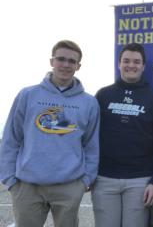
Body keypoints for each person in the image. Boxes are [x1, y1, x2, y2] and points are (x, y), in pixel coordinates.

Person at [0, 40, 100, 227]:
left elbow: (91, 145)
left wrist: (85, 181)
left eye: (71, 61)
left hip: (69, 186)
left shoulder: (89, 103)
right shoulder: (28, 95)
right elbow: (11, 139)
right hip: (27, 186)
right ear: (51, 61)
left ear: (78, 66)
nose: (65, 65)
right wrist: (10, 180)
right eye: (61, 59)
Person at [91, 43, 153, 227]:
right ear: (119, 64)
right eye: (126, 61)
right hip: (104, 179)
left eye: (136, 62)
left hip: (140, 181)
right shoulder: (103, 95)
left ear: (143, 66)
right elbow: (90, 137)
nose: (131, 65)